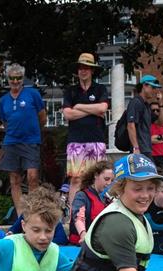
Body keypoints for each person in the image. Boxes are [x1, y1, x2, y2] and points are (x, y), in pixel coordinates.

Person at [61, 53, 109, 210]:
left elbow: (102, 108)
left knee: (98, 179)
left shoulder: (100, 88)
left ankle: (97, 211)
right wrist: (92, 110)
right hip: (76, 141)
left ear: (92, 70)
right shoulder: (71, 91)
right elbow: (68, 114)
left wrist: (79, 106)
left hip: (97, 140)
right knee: (76, 179)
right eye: (81, 68)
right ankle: (73, 214)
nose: (83, 71)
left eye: (87, 68)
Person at [0, 63, 46, 214]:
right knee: (14, 179)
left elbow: (42, 117)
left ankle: (33, 211)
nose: (15, 81)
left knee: (32, 176)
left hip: (31, 141)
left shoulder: (33, 94)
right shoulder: (3, 100)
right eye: (12, 78)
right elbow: (4, 121)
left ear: (22, 78)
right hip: (11, 142)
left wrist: (33, 130)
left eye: (18, 78)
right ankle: (20, 215)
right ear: (7, 79)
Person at [68, 161, 113, 245]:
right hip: (79, 245)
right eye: (106, 179)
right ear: (96, 175)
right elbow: (78, 217)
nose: (109, 183)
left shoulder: (107, 199)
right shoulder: (82, 195)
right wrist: (83, 235)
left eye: (111, 180)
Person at [125, 75, 161, 160]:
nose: (154, 91)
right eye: (153, 87)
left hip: (146, 149)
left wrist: (160, 103)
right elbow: (130, 125)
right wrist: (136, 148)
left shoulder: (146, 105)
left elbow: (161, 123)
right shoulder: (136, 102)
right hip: (139, 150)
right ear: (144, 86)